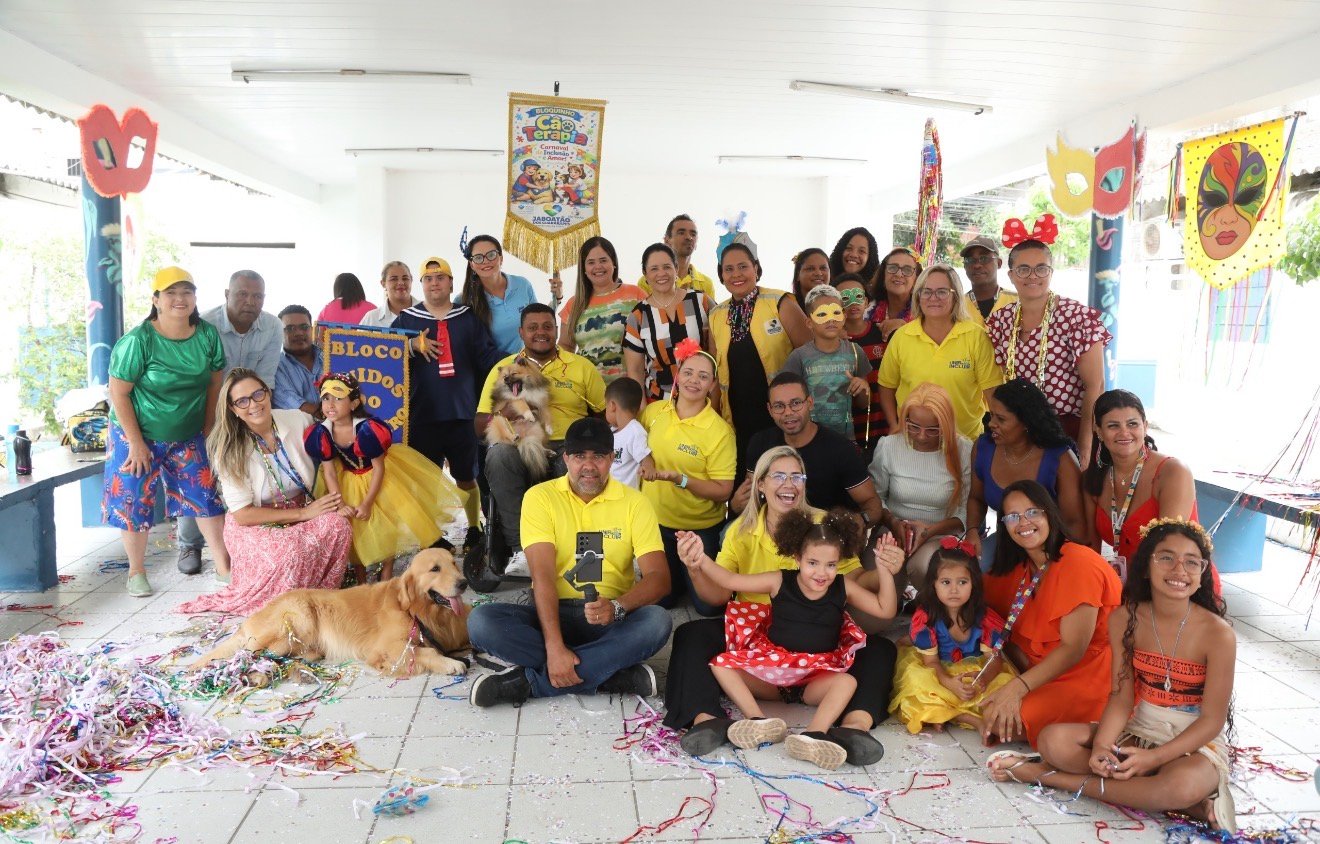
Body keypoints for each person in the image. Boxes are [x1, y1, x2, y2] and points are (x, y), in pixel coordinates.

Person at [990, 519, 1237, 833]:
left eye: (1192, 562)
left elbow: (1212, 721)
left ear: (1202, 573)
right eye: (1166, 558)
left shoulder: (1219, 634)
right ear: (1145, 566)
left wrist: (1154, 758)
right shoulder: (1125, 619)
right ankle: (1185, 802)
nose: (1179, 570)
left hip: (1194, 744)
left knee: (1180, 785)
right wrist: (1103, 747)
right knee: (1053, 741)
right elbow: (1121, 698)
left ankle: (1048, 777)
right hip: (1141, 730)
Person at [664, 446, 902, 766]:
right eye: (779, 476)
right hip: (754, 634)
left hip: (816, 631)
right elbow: (719, 595)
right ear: (761, 484)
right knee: (691, 635)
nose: (789, 484)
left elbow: (854, 581)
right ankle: (706, 719)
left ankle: (854, 727)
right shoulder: (740, 531)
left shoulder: (823, 525)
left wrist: (886, 569)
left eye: (797, 477)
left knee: (879, 649)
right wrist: (696, 566)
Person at [466, 417, 673, 706]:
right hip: (551, 615)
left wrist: (617, 607)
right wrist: (554, 647)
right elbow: (542, 577)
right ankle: (608, 673)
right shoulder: (540, 498)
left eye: (598, 456)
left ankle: (530, 683)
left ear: (611, 459)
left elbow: (659, 578)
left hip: (609, 617)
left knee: (657, 622)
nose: (588, 466)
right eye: (579, 456)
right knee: (481, 622)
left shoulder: (635, 503)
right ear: (566, 459)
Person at [176, 368, 351, 615]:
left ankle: (320, 596)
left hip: (300, 509)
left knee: (338, 525)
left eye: (258, 394)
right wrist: (303, 514)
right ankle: (285, 608)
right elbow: (242, 515)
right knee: (288, 550)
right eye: (242, 401)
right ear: (233, 409)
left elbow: (338, 432)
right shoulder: (227, 448)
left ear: (268, 393)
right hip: (255, 522)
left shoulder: (298, 420)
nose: (254, 404)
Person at [103, 266, 230, 596]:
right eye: (171, 293)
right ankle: (136, 572)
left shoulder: (206, 335)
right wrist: (135, 442)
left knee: (205, 496)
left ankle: (224, 566)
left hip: (188, 432)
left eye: (187, 292)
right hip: (136, 433)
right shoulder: (138, 341)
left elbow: (214, 383)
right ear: (156, 299)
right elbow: (118, 393)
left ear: (195, 298)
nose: (180, 298)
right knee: (133, 499)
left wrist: (208, 427)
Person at [979, 480, 1122, 747]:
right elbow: (975, 603)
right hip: (1040, 671)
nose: (1023, 523)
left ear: (1049, 513)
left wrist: (1017, 687)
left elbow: (1073, 649)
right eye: (1013, 517)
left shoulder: (1078, 562)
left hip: (1088, 675)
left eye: (1032, 512)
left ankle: (1104, 728)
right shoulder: (1020, 565)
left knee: (996, 718)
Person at [476, 304, 606, 575]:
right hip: (519, 442)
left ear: (556, 330)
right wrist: (507, 412)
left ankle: (575, 551)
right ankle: (520, 550)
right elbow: (479, 425)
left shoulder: (581, 366)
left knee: (576, 463)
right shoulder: (504, 368)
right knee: (498, 455)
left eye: (547, 326)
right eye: (532, 327)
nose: (541, 332)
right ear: (521, 332)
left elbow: (603, 415)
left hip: (568, 444)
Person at [304, 372, 461, 582]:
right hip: (346, 480)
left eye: (338, 397)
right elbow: (330, 472)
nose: (330, 404)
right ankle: (360, 579)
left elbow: (379, 468)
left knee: (386, 525)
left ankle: (386, 574)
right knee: (355, 529)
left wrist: (368, 502)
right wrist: (340, 503)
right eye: (325, 398)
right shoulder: (322, 433)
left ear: (354, 403)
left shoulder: (367, 430)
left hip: (379, 477)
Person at [393, 256, 503, 548]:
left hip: (462, 411)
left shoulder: (468, 318)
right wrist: (409, 345)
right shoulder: (407, 320)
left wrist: (517, 360)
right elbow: (384, 353)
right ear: (421, 285)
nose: (435, 284)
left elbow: (487, 357)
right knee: (426, 480)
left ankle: (474, 527)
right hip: (422, 413)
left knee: (466, 475)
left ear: (451, 283)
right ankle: (431, 535)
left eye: (440, 278)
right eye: (428, 279)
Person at [178, 269, 282, 575]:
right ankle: (189, 543)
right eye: (242, 294)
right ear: (227, 295)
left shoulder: (272, 326)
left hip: (248, 408)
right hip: (205, 408)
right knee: (197, 474)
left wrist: (254, 417)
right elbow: (198, 378)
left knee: (241, 474)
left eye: (257, 296)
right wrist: (211, 423)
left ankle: (239, 546)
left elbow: (266, 378)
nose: (250, 301)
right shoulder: (204, 325)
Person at [985, 226, 1110, 464]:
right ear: (1011, 275)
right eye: (1023, 269)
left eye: (1041, 268)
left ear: (1051, 272)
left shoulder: (1075, 316)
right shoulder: (1001, 320)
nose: (1033, 276)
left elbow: (1096, 385)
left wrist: (1085, 446)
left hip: (1069, 429)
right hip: (1021, 431)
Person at [638, 341, 736, 612]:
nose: (694, 380)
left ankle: (686, 573)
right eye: (689, 372)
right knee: (663, 601)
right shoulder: (654, 412)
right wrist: (646, 458)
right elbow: (635, 442)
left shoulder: (720, 432)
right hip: (656, 524)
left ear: (712, 384)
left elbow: (723, 491)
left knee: (708, 608)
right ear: (677, 375)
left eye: (703, 376)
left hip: (698, 529)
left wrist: (680, 479)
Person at [889, 538, 1016, 735]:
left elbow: (994, 659)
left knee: (1003, 689)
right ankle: (969, 719)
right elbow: (931, 662)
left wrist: (984, 679)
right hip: (939, 670)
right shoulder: (926, 619)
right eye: (946, 582)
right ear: (934, 584)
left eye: (962, 582)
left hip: (976, 672)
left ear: (974, 584)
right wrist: (948, 683)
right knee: (915, 683)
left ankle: (943, 714)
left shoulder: (985, 619)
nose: (954, 590)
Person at [709, 239, 811, 477]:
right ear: (721, 275)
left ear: (756, 268)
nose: (736, 274)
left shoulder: (780, 302)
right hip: (736, 418)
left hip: (781, 414)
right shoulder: (716, 314)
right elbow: (714, 372)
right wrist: (712, 417)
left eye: (743, 266)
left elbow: (810, 355)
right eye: (729, 269)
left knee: (780, 477)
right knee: (745, 482)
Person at [733, 372, 884, 523]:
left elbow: (872, 503)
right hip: (772, 528)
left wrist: (861, 521)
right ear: (770, 409)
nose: (788, 412)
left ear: (810, 403)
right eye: (779, 406)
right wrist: (736, 504)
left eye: (796, 403)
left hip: (824, 530)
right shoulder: (760, 443)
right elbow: (751, 499)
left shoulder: (840, 449)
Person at [967, 379, 1085, 566]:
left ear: (1026, 423)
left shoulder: (1060, 457)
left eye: (1001, 419)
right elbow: (976, 498)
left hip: (1053, 546)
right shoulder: (983, 447)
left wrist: (1064, 564)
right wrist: (972, 530)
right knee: (972, 568)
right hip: (1007, 542)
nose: (991, 424)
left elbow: (1075, 522)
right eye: (992, 415)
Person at [878, 264, 1002, 440]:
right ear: (918, 296)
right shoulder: (902, 336)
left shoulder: (977, 337)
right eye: (926, 291)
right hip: (913, 440)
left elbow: (992, 391)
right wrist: (894, 424)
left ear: (956, 296)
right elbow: (886, 385)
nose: (933, 298)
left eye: (942, 292)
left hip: (964, 441)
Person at [870, 383, 972, 590]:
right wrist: (894, 523)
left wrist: (929, 531)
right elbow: (874, 498)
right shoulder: (889, 446)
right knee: (879, 575)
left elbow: (966, 511)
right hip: (892, 530)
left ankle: (928, 607)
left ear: (946, 425)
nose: (922, 436)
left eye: (933, 430)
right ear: (904, 419)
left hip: (940, 533)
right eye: (914, 427)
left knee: (925, 567)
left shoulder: (963, 450)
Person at [624, 242, 714, 403]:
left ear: (676, 268)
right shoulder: (638, 317)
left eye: (667, 267)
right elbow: (635, 371)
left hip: (701, 401)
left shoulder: (701, 302)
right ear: (645, 274)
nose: (661, 273)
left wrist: (714, 401)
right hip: (658, 403)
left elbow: (718, 354)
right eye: (654, 269)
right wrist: (642, 411)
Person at [779, 285, 871, 440]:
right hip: (809, 439)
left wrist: (862, 387)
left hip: (845, 439)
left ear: (843, 316)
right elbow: (787, 401)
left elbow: (864, 403)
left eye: (836, 313)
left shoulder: (855, 352)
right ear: (809, 322)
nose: (830, 319)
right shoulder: (798, 357)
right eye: (822, 314)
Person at [558, 236, 645, 384]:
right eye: (591, 262)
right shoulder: (573, 304)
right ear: (584, 269)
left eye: (603, 260)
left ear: (613, 263)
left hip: (629, 389)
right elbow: (565, 346)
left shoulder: (635, 295)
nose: (598, 266)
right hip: (587, 388)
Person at [834, 273, 888, 460]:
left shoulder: (883, 334)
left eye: (858, 296)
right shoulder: (832, 343)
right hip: (849, 433)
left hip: (885, 429)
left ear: (866, 301)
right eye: (844, 298)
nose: (852, 303)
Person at [459, 234, 539, 355]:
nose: (486, 261)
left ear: (501, 258)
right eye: (478, 258)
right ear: (471, 265)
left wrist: (556, 298)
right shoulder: (464, 300)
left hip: (527, 364)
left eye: (491, 255)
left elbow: (538, 322)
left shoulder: (522, 284)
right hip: (494, 366)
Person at [636, 214, 718, 300]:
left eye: (693, 234)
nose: (689, 237)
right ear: (667, 240)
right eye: (681, 233)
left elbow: (712, 310)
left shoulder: (706, 284)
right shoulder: (647, 281)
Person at [959, 235, 1017, 326]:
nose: (977, 265)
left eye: (984, 258)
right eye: (970, 260)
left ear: (999, 263)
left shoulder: (1018, 302)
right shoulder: (956, 306)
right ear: (964, 266)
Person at [605, 376, 651, 489]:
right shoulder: (611, 431)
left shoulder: (635, 431)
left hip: (625, 495)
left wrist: (649, 469)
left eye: (605, 406)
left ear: (612, 406)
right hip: (608, 493)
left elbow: (645, 457)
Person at [273, 305, 320, 416]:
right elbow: (299, 406)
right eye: (290, 328)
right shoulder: (274, 365)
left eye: (304, 327)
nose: (299, 333)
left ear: (312, 330)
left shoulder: (330, 357)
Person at [870, 247, 922, 341]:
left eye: (907, 270)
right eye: (893, 267)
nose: (898, 274)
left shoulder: (924, 314)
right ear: (883, 276)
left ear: (916, 281)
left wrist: (904, 327)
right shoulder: (866, 310)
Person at [360, 260, 420, 329]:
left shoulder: (428, 311)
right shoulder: (372, 318)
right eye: (394, 279)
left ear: (411, 280)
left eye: (405, 278)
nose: (401, 282)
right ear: (383, 284)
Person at [828, 228, 879, 292]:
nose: (854, 255)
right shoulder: (826, 284)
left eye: (861, 251)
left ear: (870, 257)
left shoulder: (875, 291)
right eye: (849, 248)